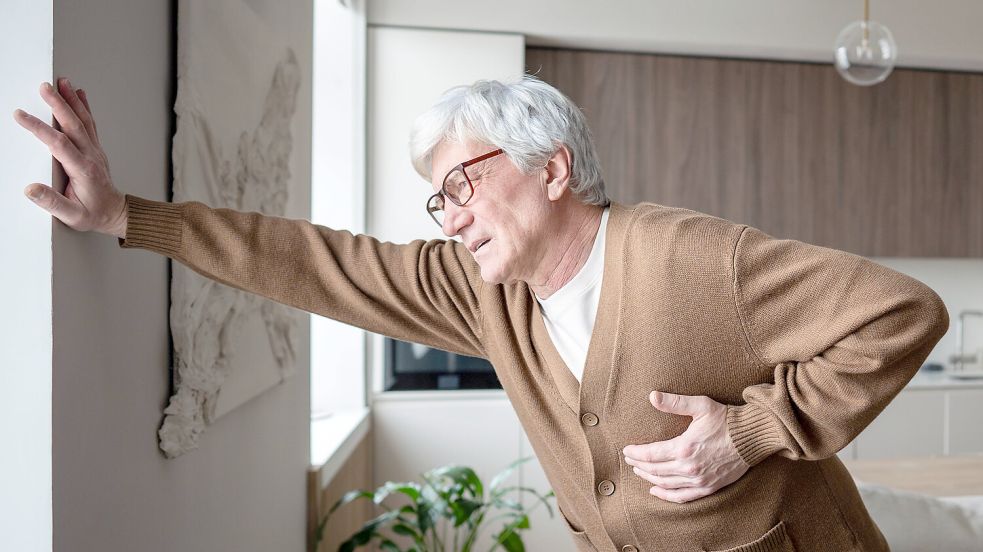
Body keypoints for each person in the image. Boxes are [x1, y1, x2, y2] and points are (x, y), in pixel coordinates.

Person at [15, 76, 948, 552]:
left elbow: (900, 313)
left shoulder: (693, 258)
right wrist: (125, 217)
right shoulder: (483, 294)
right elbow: (316, 263)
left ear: (552, 169)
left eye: (463, 181)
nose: (449, 212)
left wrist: (751, 431)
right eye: (437, 197)